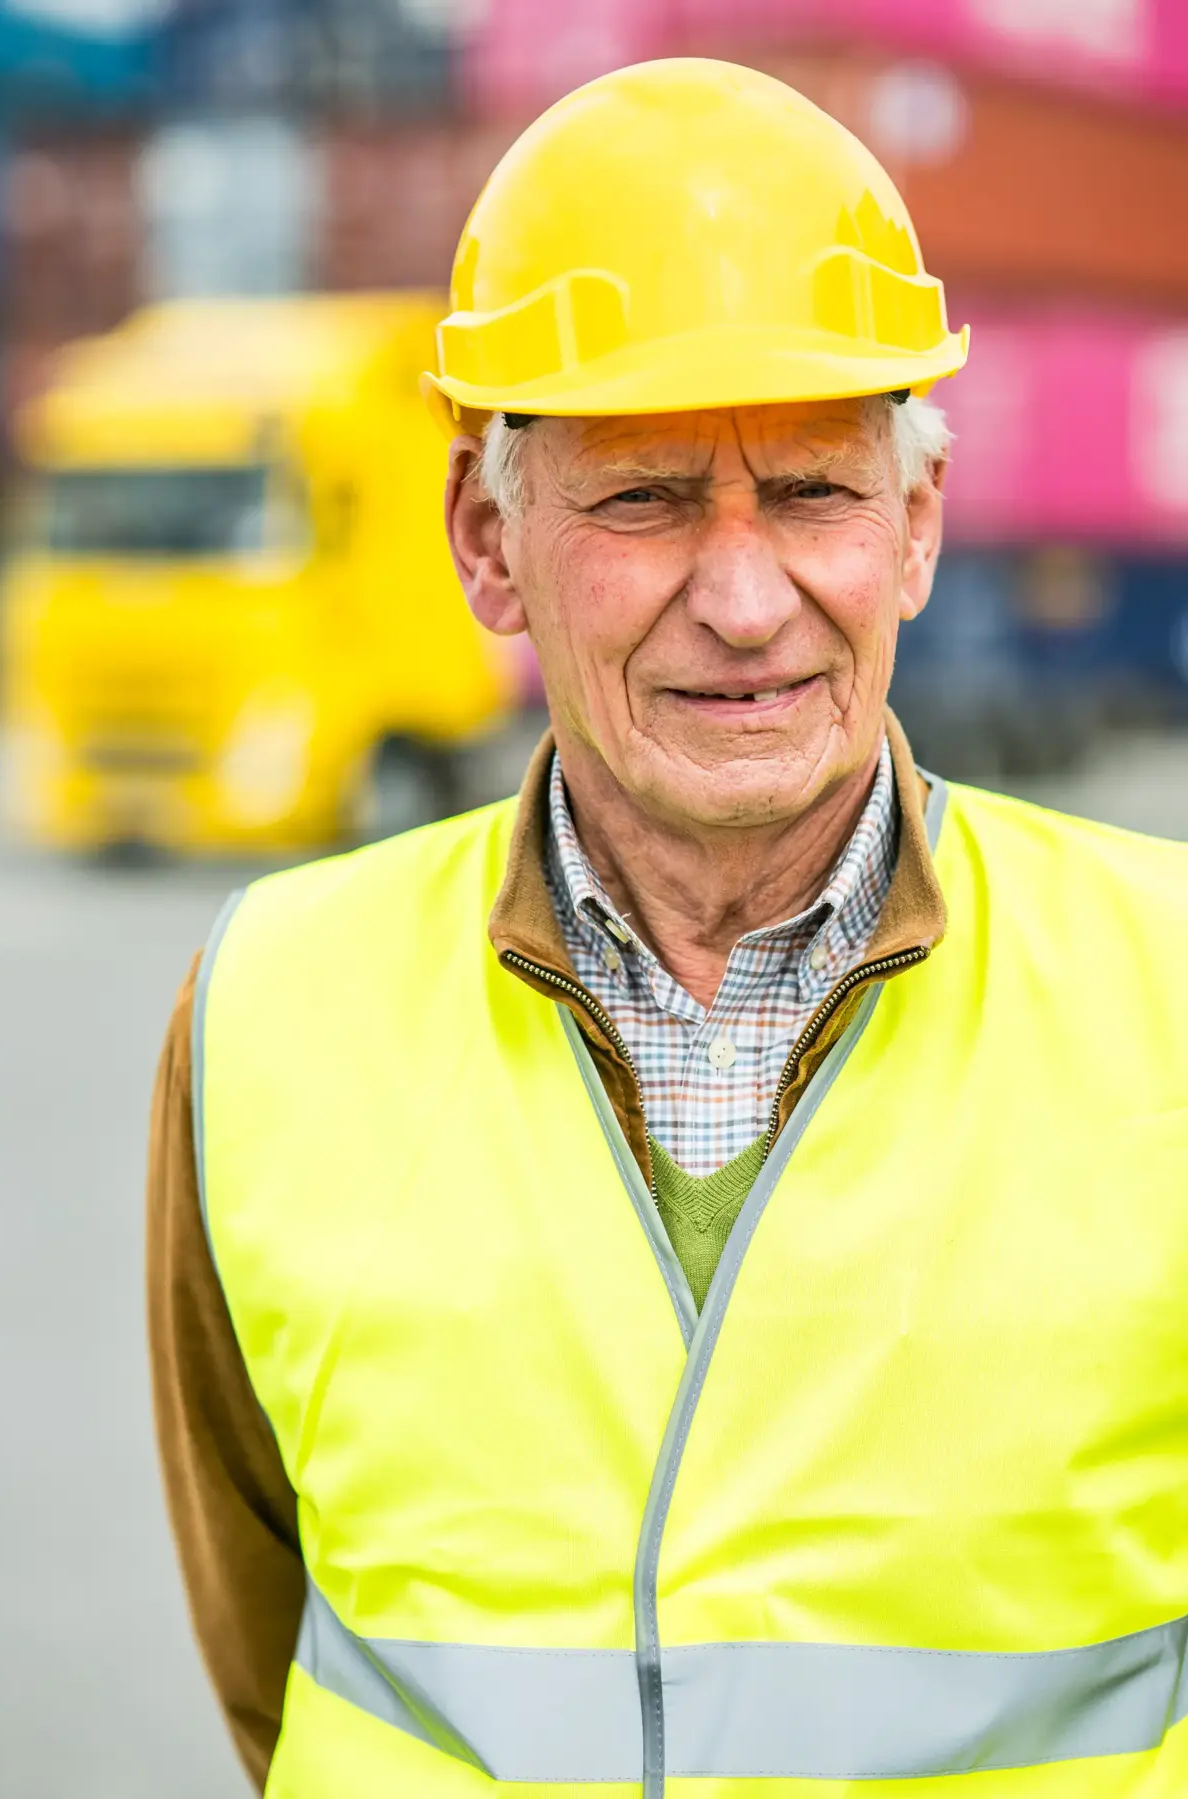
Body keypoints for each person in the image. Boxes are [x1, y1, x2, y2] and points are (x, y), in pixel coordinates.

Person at [148, 58, 1188, 1799]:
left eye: (813, 492)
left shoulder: (1174, 998)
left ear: (917, 528)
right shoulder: (271, 1007)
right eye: (639, 498)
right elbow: (278, 1642)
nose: (742, 593)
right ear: (492, 542)